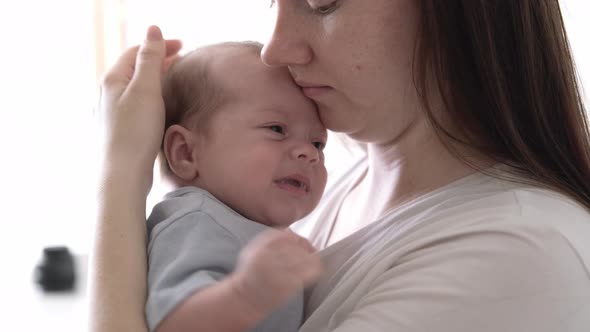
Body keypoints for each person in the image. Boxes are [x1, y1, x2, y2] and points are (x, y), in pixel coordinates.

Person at [90, 0, 590, 330]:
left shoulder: (516, 256)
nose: (277, 47)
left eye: (322, 1)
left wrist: (120, 175)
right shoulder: (338, 186)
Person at [145, 41, 326, 332]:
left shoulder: (242, 224)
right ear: (186, 153)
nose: (310, 152)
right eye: (277, 129)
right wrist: (245, 296)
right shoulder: (195, 220)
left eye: (318, 143)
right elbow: (171, 325)